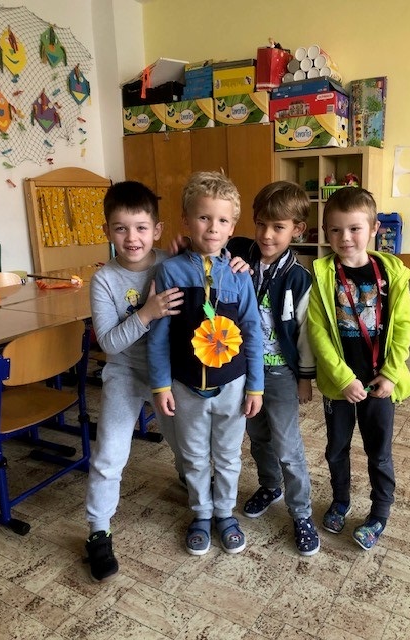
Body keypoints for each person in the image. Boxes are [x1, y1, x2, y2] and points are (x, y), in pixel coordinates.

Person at [147, 171, 264, 557]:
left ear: (232, 226)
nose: (212, 227)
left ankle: (225, 513)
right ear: (185, 220)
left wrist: (256, 386)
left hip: (233, 385)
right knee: (194, 456)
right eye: (203, 217)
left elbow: (253, 331)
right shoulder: (169, 271)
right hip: (185, 386)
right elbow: (160, 334)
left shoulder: (240, 275)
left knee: (228, 455)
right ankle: (200, 513)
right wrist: (161, 384)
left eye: (222, 220)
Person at [84, 180, 185, 582]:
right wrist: (146, 313)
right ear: (107, 231)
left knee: (187, 445)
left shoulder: (170, 262)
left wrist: (234, 261)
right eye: (121, 228)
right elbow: (109, 342)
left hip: (167, 374)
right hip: (124, 373)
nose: (132, 238)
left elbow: (216, 256)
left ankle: (195, 489)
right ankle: (98, 530)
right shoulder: (103, 280)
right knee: (109, 455)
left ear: (156, 230)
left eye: (141, 227)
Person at [307, 186, 410, 550]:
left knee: (378, 451)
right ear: (326, 232)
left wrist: (391, 373)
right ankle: (341, 501)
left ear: (373, 229)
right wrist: (342, 378)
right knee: (336, 448)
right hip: (340, 384)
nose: (345, 237)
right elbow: (317, 332)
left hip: (380, 383)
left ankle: (380, 512)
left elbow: (404, 326)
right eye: (336, 229)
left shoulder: (391, 272)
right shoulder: (323, 274)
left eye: (354, 228)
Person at [228, 180, 320, 556]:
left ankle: (301, 513)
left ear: (297, 229)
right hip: (245, 371)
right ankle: (270, 486)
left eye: (278, 227)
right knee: (258, 436)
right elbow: (205, 245)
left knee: (287, 445)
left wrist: (305, 377)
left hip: (282, 373)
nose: (267, 235)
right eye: (261, 224)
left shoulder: (299, 277)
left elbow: (305, 333)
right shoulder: (238, 253)